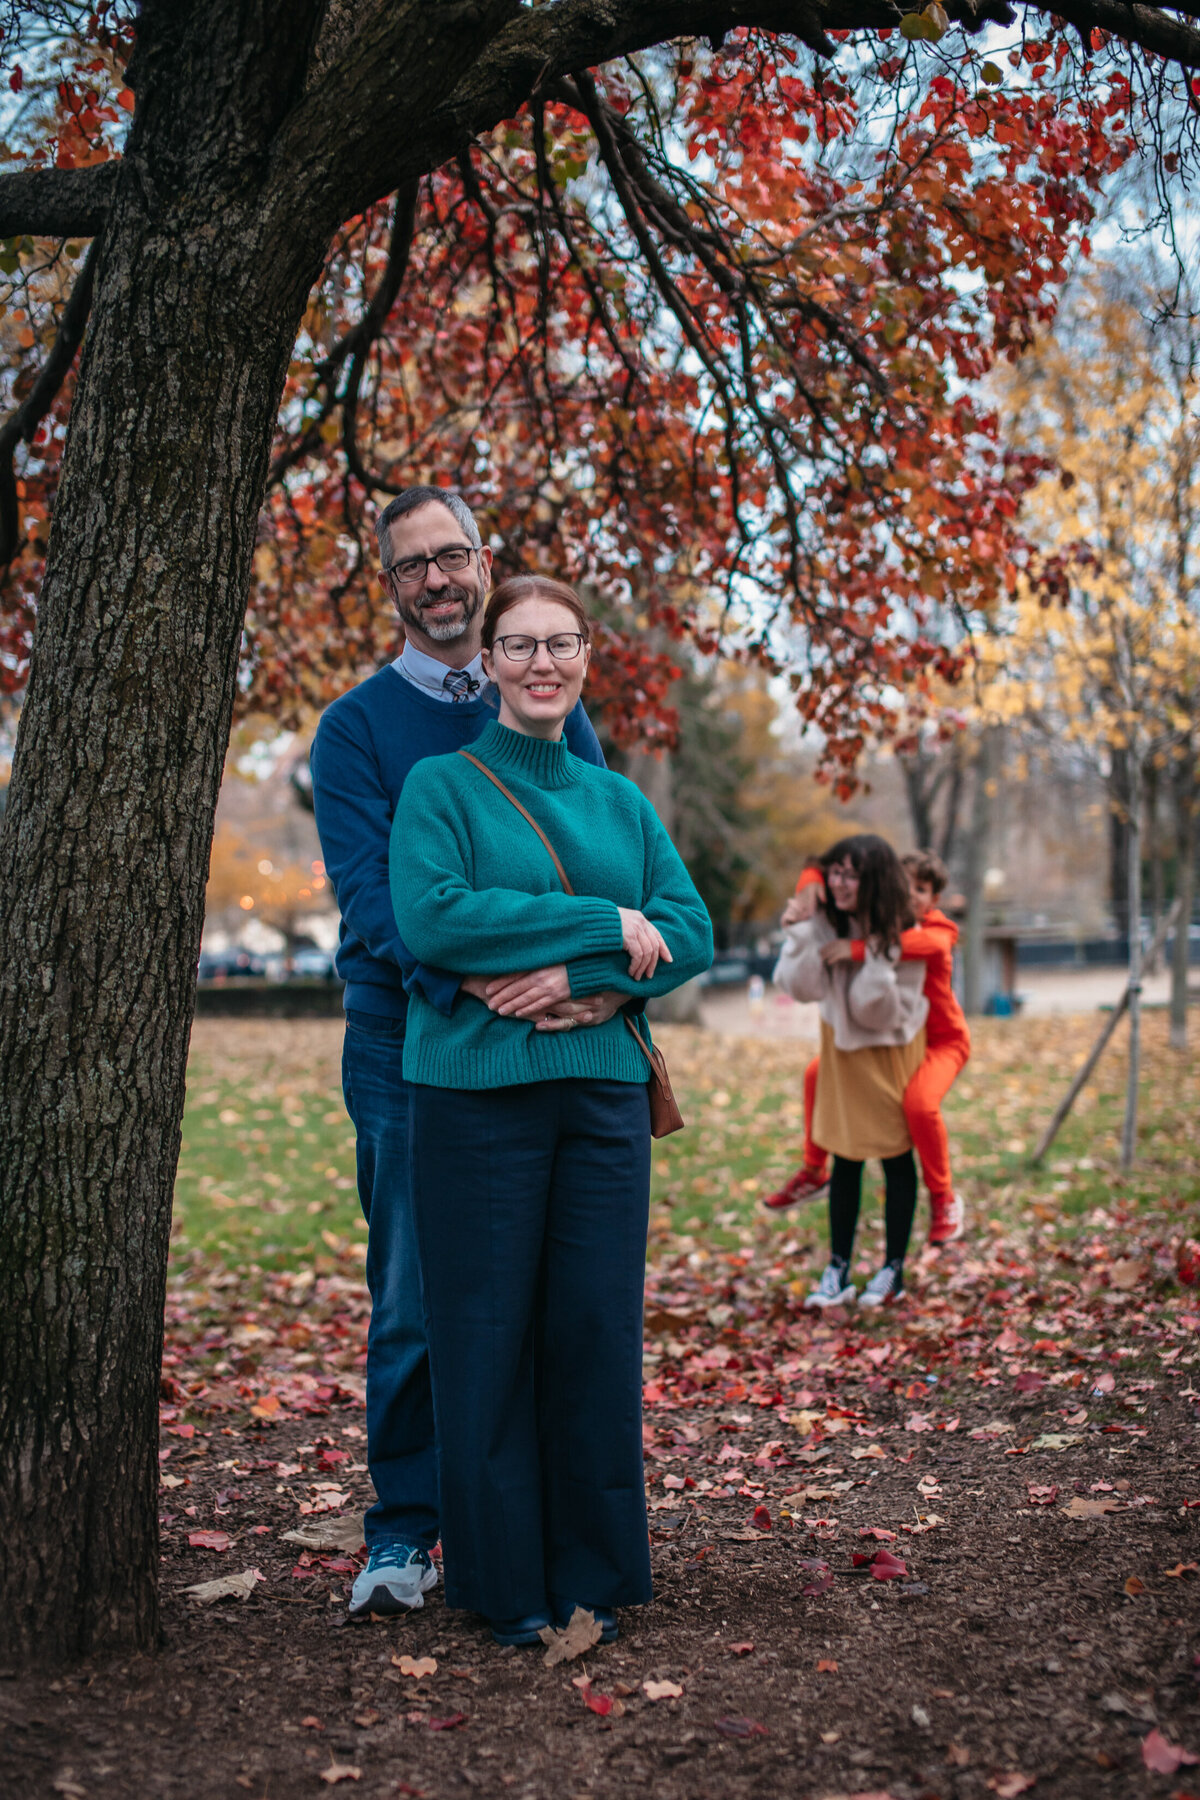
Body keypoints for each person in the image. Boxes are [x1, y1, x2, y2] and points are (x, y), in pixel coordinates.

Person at [309, 488, 625, 1621]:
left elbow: (597, 867)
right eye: (412, 568)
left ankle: (516, 1516)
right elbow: (372, 902)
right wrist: (480, 982)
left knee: (533, 1288)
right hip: (408, 1040)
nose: (437, 581)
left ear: (484, 563)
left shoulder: (548, 702)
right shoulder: (355, 732)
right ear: (389, 586)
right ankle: (404, 1529)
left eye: (452, 557)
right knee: (414, 1292)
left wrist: (582, 980)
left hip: (546, 1035)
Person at [391, 574, 713, 1647]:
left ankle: (592, 1575)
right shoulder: (445, 786)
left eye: (560, 643)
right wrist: (607, 923)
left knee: (592, 1334)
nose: (541, 663)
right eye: (519, 645)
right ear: (487, 665)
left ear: (586, 658)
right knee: (487, 1339)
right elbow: (436, 920)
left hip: (607, 1099)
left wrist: (611, 980)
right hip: (478, 1098)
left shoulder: (621, 801)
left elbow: (692, 931)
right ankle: (505, 1586)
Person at [765, 851, 969, 1244]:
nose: (912, 895)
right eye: (905, 884)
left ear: (934, 900)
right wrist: (809, 885)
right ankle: (812, 1170)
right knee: (815, 1073)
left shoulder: (937, 929)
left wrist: (855, 949)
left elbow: (919, 946)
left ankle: (944, 1198)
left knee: (919, 1106)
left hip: (943, 1043)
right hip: (901, 1041)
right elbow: (822, 869)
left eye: (922, 889)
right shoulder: (878, 920)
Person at [772, 835, 927, 1308]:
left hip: (889, 1049)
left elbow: (875, 1012)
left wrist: (867, 953)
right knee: (845, 1155)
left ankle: (893, 1269)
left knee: (895, 1156)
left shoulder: (906, 928)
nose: (838, 883)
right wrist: (802, 929)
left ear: (874, 880)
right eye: (834, 871)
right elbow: (798, 986)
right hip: (842, 1050)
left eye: (850, 874)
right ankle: (838, 1267)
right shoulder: (826, 917)